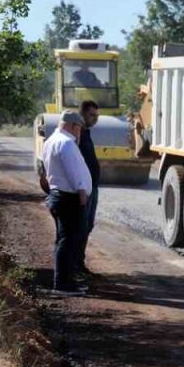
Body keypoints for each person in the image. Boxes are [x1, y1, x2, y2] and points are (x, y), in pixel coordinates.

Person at [43, 110, 93, 295]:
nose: (79, 132)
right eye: (79, 128)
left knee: (65, 240)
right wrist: (82, 192)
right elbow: (74, 171)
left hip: (59, 195)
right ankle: (62, 284)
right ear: (74, 126)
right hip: (69, 198)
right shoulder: (66, 143)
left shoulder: (51, 141)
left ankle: (66, 280)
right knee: (68, 241)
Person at [75, 100, 102, 280]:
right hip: (84, 189)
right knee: (80, 228)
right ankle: (74, 266)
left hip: (92, 188)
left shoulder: (87, 133)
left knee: (87, 226)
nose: (95, 119)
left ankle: (79, 263)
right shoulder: (77, 135)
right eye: (92, 115)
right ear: (82, 114)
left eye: (97, 115)